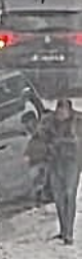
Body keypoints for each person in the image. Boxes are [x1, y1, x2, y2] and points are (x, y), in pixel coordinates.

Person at [34, 98, 80, 245]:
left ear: (69, 111)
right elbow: (40, 136)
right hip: (55, 162)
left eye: (63, 110)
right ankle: (63, 229)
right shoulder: (50, 123)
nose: (60, 113)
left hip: (72, 162)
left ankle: (69, 233)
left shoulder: (77, 122)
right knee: (59, 198)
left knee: (69, 194)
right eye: (59, 110)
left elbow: (77, 142)